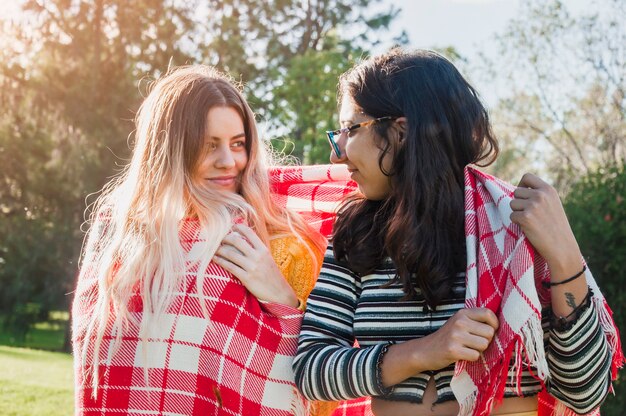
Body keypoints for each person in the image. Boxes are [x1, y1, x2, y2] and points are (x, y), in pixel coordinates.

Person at [293, 48, 624, 416]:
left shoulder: (513, 227)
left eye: (350, 129)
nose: (337, 152)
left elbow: (586, 392)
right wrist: (427, 350)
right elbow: (311, 370)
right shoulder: (356, 235)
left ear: (400, 132)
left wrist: (564, 255)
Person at [72, 65, 326, 415]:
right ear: (170, 151)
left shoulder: (285, 247)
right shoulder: (119, 241)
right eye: (209, 146)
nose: (229, 162)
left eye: (238, 144)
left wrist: (282, 298)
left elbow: (319, 399)